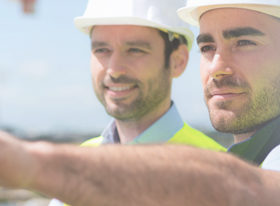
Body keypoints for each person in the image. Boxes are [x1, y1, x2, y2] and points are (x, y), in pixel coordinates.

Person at [0, 0, 280, 205]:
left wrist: (33, 163)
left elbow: (245, 192)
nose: (219, 65)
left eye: (244, 41)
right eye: (208, 46)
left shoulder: (220, 167)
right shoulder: (86, 158)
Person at [49, 0, 226, 205]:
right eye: (102, 50)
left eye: (134, 50)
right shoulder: (78, 164)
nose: (114, 69)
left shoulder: (220, 171)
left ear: (178, 61)